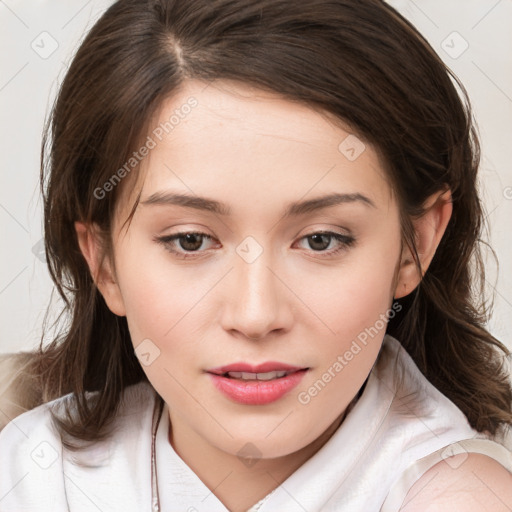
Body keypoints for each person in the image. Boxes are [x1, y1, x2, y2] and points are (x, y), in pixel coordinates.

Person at [0, 0, 511, 510]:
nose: (256, 314)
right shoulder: (29, 472)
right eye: (190, 240)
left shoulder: (460, 497)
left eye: (321, 239)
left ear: (414, 246)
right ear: (104, 263)